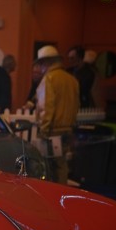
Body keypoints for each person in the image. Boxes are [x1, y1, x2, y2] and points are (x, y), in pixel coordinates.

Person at [34, 45, 80, 185]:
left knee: (50, 168)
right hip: (68, 129)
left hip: (52, 131)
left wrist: (43, 130)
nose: (39, 68)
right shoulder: (71, 79)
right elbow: (76, 106)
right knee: (62, 166)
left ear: (46, 63)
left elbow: (46, 108)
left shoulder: (49, 79)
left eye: (41, 64)